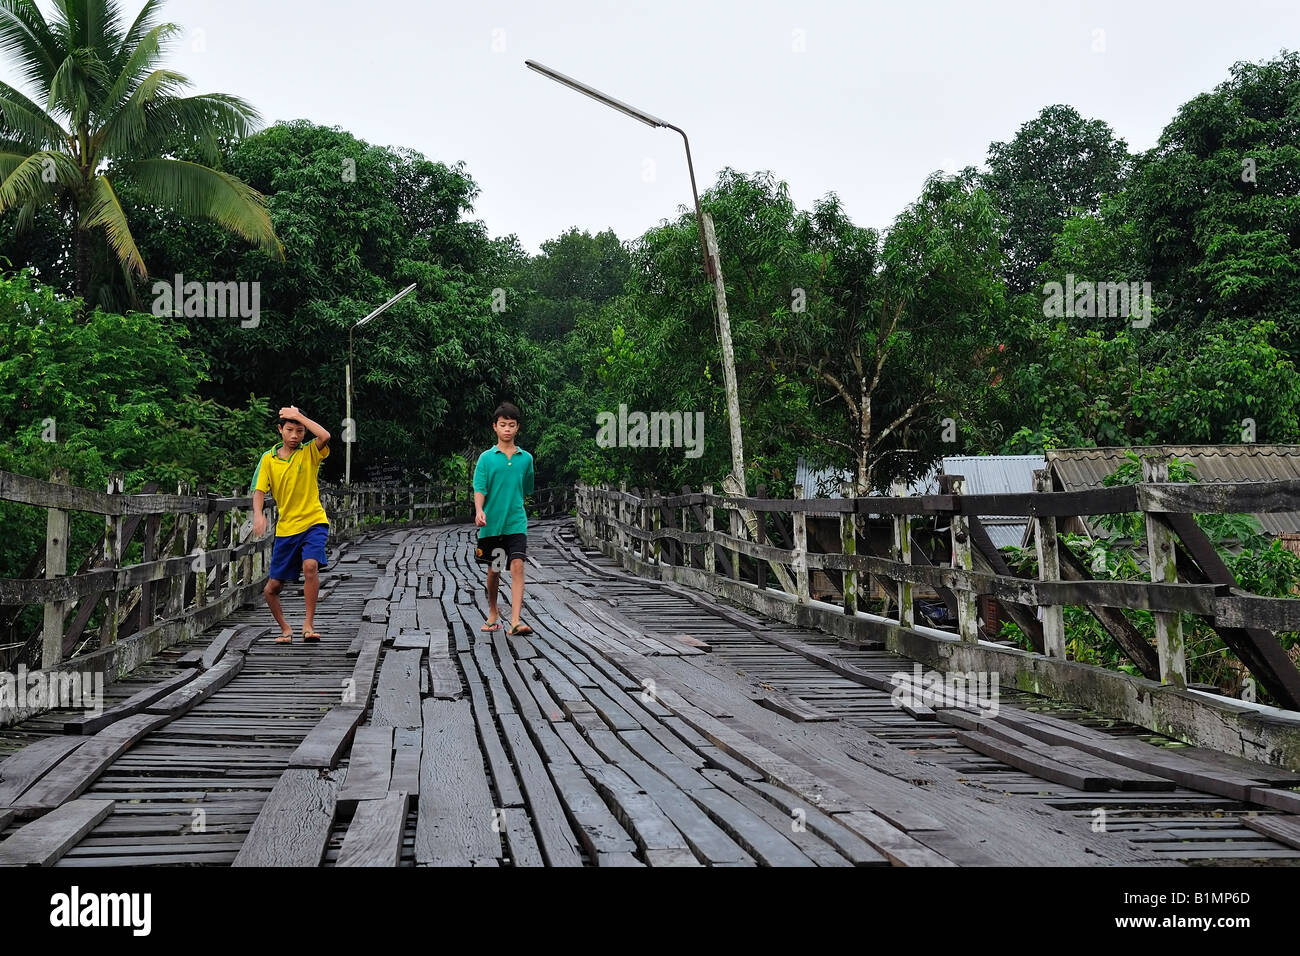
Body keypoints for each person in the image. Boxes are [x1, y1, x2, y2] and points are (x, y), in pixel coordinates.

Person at [251, 406, 332, 644]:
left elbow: (325, 436)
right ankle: (286, 628)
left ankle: (308, 624)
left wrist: (299, 416)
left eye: (299, 430)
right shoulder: (268, 459)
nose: (295, 435)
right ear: (280, 430)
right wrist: (258, 514)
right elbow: (258, 490)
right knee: (271, 588)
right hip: (286, 529)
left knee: (310, 566)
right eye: (290, 430)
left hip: (313, 521)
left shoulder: (309, 453)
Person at [472, 402, 535, 636]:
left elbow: (527, 488)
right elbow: (480, 487)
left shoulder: (526, 459)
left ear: (517, 428)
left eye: (511, 425)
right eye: (502, 425)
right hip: (492, 525)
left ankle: (516, 620)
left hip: (516, 523)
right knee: (495, 571)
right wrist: (479, 510)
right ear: (495, 427)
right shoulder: (487, 458)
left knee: (518, 565)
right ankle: (493, 612)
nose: (507, 429)